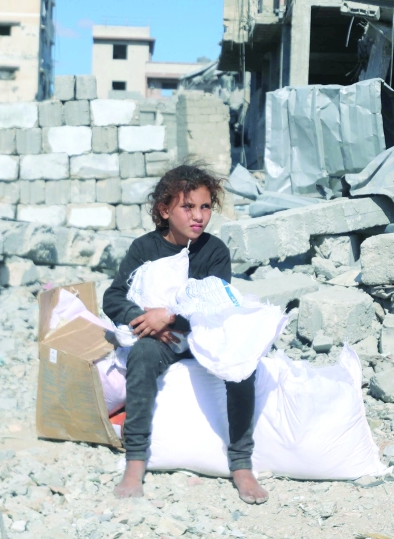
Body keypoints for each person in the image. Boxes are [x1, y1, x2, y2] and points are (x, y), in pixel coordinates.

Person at [103, 163, 269, 505]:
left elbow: (216, 305)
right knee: (143, 356)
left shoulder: (214, 251)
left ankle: (240, 462)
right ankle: (135, 461)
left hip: (202, 333)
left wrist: (170, 318)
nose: (199, 216)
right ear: (165, 210)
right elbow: (114, 296)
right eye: (188, 206)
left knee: (242, 363)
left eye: (205, 207)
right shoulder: (144, 248)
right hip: (158, 340)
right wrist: (143, 319)